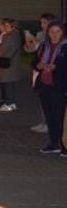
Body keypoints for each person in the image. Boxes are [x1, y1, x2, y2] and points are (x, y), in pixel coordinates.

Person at [31, 19, 66, 156]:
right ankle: (54, 142)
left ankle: (64, 144)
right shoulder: (44, 46)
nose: (55, 34)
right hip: (45, 85)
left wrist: (56, 67)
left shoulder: (65, 47)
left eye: (58, 31)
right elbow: (35, 61)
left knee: (60, 116)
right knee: (49, 115)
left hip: (59, 86)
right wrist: (37, 65)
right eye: (52, 31)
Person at [24, 13, 53, 132]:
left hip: (49, 69)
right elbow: (31, 49)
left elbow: (48, 48)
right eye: (41, 22)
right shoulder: (40, 34)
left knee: (49, 98)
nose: (42, 25)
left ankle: (49, 123)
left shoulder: (54, 34)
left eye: (45, 22)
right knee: (41, 96)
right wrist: (28, 42)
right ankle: (43, 121)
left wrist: (35, 40)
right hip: (39, 68)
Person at [0, 18, 23, 111]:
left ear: (12, 26)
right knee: (11, 85)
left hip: (7, 64)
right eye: (5, 26)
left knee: (8, 85)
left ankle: (8, 104)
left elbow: (3, 50)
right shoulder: (16, 34)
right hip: (13, 63)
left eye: (8, 26)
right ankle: (12, 103)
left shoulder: (8, 36)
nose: (6, 27)